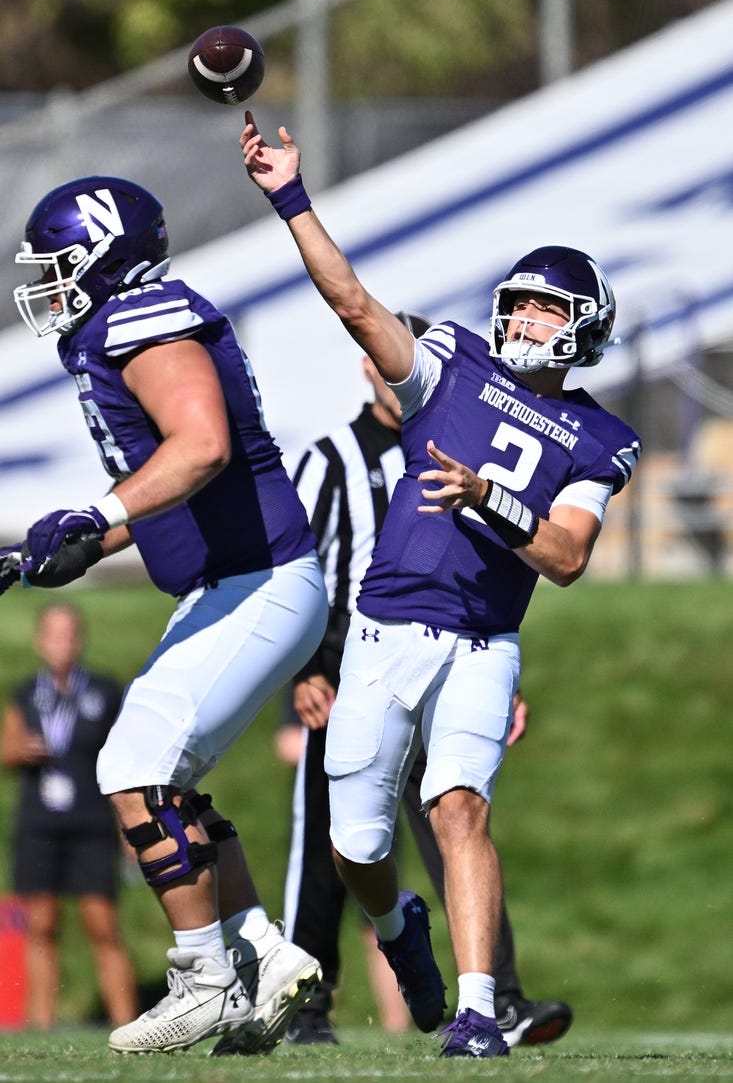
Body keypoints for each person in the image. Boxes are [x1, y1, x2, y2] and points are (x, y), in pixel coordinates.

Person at [239, 114, 641, 1059]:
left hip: (480, 642)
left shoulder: (596, 439)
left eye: (548, 310)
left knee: (460, 806)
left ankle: (475, 1010)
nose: (526, 320)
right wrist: (288, 197)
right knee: (358, 844)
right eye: (523, 303)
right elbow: (352, 302)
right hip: (381, 631)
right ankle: (397, 933)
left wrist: (484, 495)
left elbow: (568, 554)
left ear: (581, 331)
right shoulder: (449, 365)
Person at [0, 175, 329, 1056]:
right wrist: (62, 548)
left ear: (107, 258)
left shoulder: (137, 315)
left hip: (257, 579)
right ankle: (259, 950)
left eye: (62, 264)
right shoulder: (123, 325)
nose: (50, 283)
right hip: (242, 579)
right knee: (162, 777)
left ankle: (204, 977)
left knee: (133, 761)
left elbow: (203, 445)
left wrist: (99, 515)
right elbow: (168, 490)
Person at [282, 333, 572, 1048]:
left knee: (460, 820)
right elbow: (294, 568)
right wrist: (305, 666)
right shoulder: (328, 458)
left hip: (453, 654)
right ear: (368, 367)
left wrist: (501, 679)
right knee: (337, 842)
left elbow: (480, 574)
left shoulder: (464, 442)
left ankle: (495, 1000)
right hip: (357, 659)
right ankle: (308, 1004)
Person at [0, 601, 138, 1030]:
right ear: (40, 641)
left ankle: (128, 1023)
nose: (63, 643)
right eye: (54, 635)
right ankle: (40, 1024)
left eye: (70, 634)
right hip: (39, 826)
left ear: (81, 638)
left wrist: (129, 832)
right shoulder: (26, 694)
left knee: (103, 926)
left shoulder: (104, 690)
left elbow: (125, 759)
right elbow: (7, 750)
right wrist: (17, 752)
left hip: (92, 825)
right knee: (41, 927)